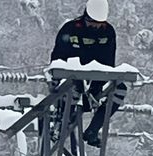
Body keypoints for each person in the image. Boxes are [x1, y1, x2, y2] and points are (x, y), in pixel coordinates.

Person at [49, 0, 127, 148]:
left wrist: (96, 88)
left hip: (96, 78)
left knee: (120, 89)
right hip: (70, 78)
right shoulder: (70, 29)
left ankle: (93, 129)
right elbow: (57, 60)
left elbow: (108, 63)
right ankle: (62, 124)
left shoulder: (108, 32)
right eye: (93, 23)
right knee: (71, 90)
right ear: (86, 18)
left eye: (100, 24)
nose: (97, 27)